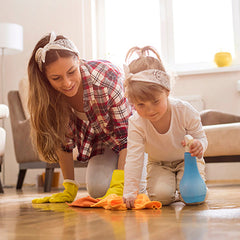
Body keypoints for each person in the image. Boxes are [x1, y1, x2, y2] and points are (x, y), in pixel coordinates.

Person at [28, 32, 132, 203]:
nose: (67, 83)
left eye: (71, 72)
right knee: (98, 190)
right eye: (56, 78)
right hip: (104, 144)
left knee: (136, 189)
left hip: (135, 142)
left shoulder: (107, 79)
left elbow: (127, 138)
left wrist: (120, 184)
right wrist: (69, 186)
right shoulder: (50, 97)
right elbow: (64, 143)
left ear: (78, 60)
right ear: (46, 79)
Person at [122, 46, 208, 207]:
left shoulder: (184, 111)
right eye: (140, 104)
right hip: (158, 164)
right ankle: (174, 190)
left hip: (187, 161)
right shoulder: (136, 122)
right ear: (132, 102)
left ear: (167, 91)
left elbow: (201, 137)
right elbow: (134, 158)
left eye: (155, 101)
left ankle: (184, 189)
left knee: (194, 197)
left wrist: (199, 145)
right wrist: (129, 191)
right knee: (161, 198)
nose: (150, 110)